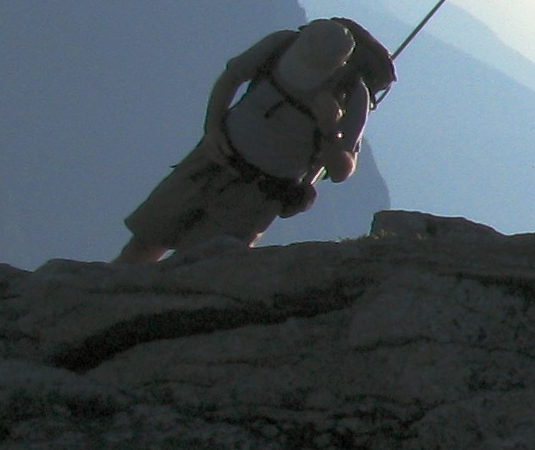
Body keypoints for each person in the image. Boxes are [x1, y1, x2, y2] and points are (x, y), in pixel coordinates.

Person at [114, 18, 395, 265]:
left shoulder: (352, 94)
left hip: (256, 195)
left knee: (184, 266)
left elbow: (341, 170)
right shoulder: (282, 44)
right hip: (214, 159)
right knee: (145, 243)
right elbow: (231, 77)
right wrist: (212, 130)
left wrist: (330, 128)